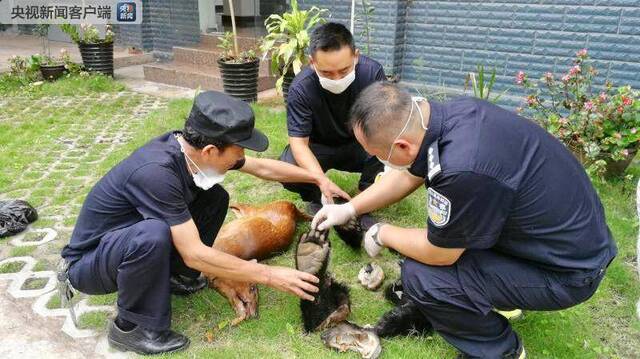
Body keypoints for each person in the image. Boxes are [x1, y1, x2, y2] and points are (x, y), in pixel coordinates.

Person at [312, 82, 617, 358]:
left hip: (568, 273)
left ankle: (501, 351)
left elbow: (439, 252)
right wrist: (350, 209)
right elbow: (409, 174)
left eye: (377, 154)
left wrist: (382, 232)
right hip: (567, 241)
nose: (379, 161)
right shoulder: (449, 117)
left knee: (422, 275)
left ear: (402, 146)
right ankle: (497, 296)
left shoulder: (461, 169)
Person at [60, 91, 348, 355]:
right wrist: (271, 275)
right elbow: (194, 252)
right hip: (90, 263)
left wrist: (317, 178)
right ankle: (131, 328)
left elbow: (262, 167)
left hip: (124, 242)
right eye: (238, 153)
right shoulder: (157, 173)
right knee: (152, 234)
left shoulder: (192, 150)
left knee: (214, 197)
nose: (242, 159)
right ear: (211, 150)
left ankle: (175, 277)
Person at [278, 22, 385, 212]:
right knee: (288, 166)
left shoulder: (372, 74)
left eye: (344, 70)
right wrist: (321, 180)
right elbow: (299, 144)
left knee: (386, 143)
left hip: (359, 145)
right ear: (312, 63)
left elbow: (382, 127)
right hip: (320, 148)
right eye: (326, 72)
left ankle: (365, 197)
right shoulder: (301, 88)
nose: (336, 79)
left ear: (356, 56)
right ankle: (318, 196)